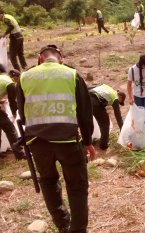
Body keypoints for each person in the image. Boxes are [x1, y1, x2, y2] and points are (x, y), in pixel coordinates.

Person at [17, 45, 96, 233]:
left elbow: (22, 112)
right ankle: (77, 229)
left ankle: (63, 223)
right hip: (67, 141)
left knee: (48, 180)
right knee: (77, 186)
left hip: (37, 141)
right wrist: (87, 141)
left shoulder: (25, 77)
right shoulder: (70, 74)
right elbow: (85, 111)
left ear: (40, 58)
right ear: (60, 57)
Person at [88, 84, 125, 150]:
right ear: (121, 97)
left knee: (88, 121)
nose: (118, 104)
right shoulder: (115, 97)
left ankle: (87, 141)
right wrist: (123, 131)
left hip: (86, 98)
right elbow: (118, 116)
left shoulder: (107, 87)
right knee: (105, 123)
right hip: (95, 102)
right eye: (120, 102)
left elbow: (92, 87)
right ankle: (103, 145)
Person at [0, 64, 24, 159]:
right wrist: (15, 113)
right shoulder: (10, 83)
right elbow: (12, 101)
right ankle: (20, 154)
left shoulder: (2, 78)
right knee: (10, 129)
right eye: (17, 80)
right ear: (14, 77)